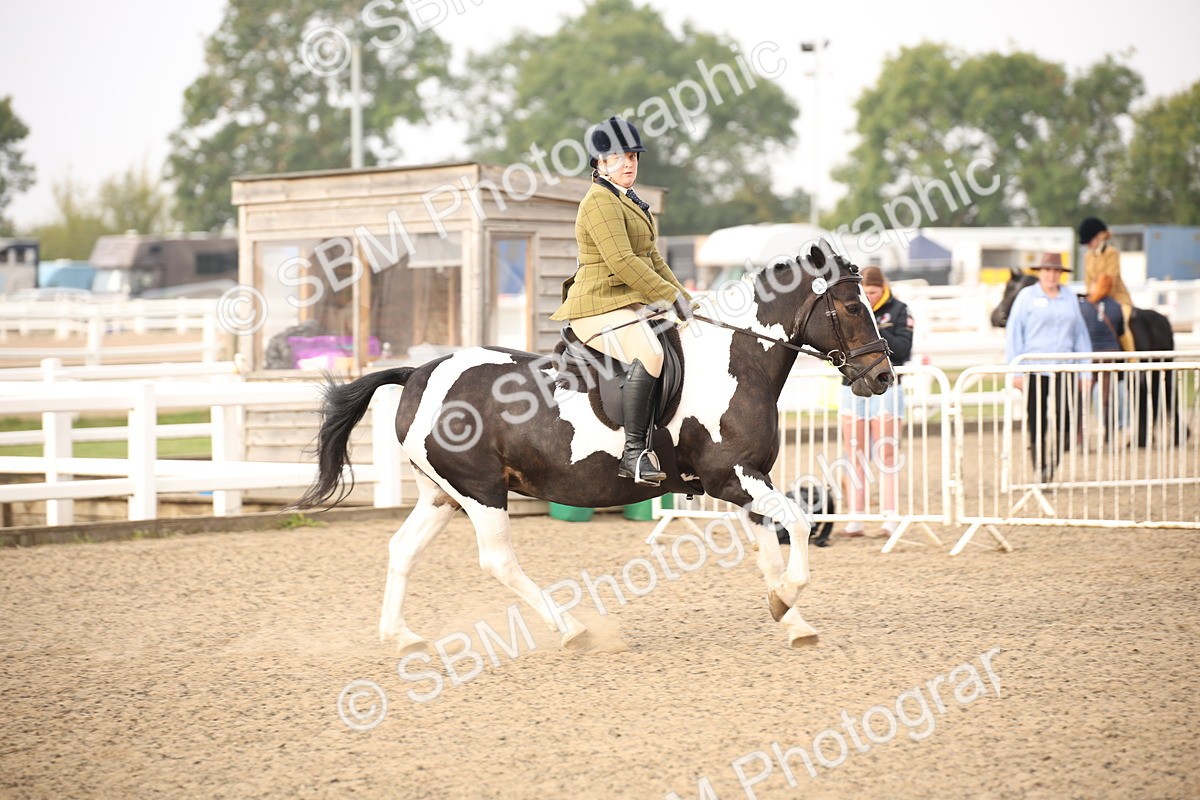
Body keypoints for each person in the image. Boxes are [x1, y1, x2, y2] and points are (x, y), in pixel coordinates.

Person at [550, 116, 692, 486]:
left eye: (633, 155)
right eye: (619, 156)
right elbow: (623, 262)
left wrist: (686, 300)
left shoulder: (631, 201)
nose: (629, 163)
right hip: (595, 306)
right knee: (652, 354)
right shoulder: (599, 203)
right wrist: (667, 297)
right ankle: (634, 455)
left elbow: (654, 259)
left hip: (627, 304)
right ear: (599, 162)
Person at [838, 267, 913, 538]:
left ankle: (890, 518)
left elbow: (904, 348)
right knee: (854, 452)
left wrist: (872, 331)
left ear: (883, 288)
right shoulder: (851, 310)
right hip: (852, 386)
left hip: (888, 387)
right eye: (866, 292)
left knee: (887, 453)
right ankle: (855, 519)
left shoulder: (899, 310)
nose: (869, 296)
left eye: (873, 291)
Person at [1005, 253, 1093, 483]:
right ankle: (1041, 467)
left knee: (1066, 419)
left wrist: (1086, 370)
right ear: (1040, 272)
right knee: (1037, 420)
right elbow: (1015, 334)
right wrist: (1015, 370)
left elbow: (1080, 335)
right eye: (1047, 270)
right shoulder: (1026, 297)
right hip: (1035, 368)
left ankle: (1053, 459)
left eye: (1055, 271)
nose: (1051, 275)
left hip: (1066, 368)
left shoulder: (1069, 297)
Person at [1077, 291, 1126, 447]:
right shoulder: (1116, 305)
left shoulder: (1083, 305)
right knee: (1107, 396)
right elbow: (1121, 331)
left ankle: (1081, 436)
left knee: (1084, 396)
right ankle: (1109, 435)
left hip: (1089, 355)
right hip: (1109, 354)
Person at [1079, 216, 1135, 352]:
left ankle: (1132, 358)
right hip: (1094, 300)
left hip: (1117, 299)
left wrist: (1096, 293)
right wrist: (1090, 297)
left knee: (1125, 324)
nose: (1088, 245)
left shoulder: (1111, 253)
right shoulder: (1087, 256)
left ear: (1099, 236)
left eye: (1090, 241)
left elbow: (1111, 279)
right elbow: (1087, 280)